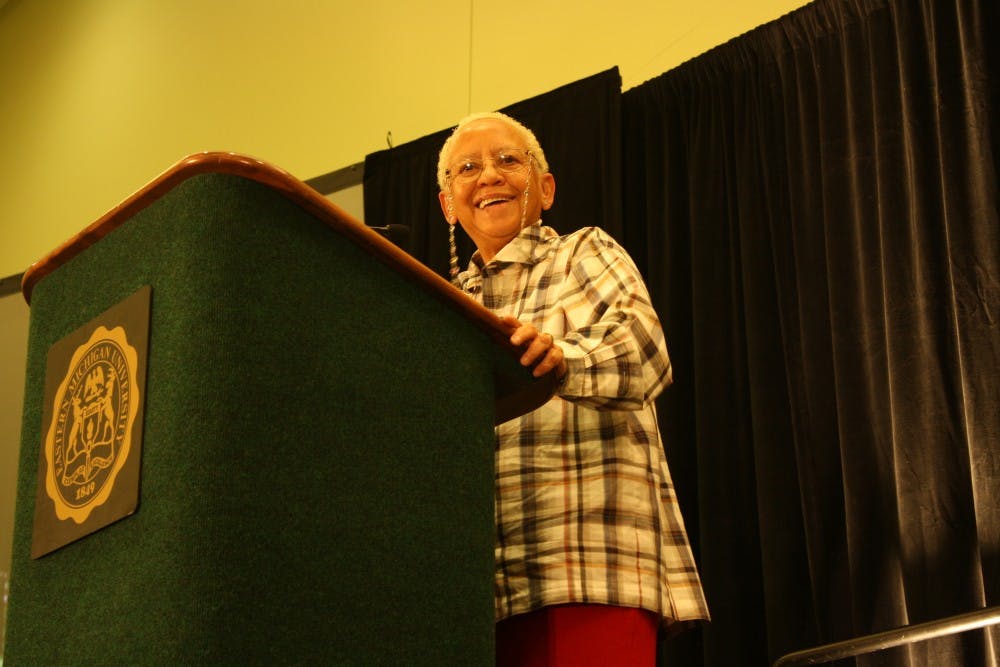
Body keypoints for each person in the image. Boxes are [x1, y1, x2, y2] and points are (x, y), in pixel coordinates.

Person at [436, 111, 710, 666]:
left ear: (546, 187)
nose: (488, 175)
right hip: (468, 600)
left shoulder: (582, 252)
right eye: (467, 168)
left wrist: (564, 361)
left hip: (586, 568)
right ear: (448, 204)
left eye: (508, 160)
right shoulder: (441, 303)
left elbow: (646, 350)